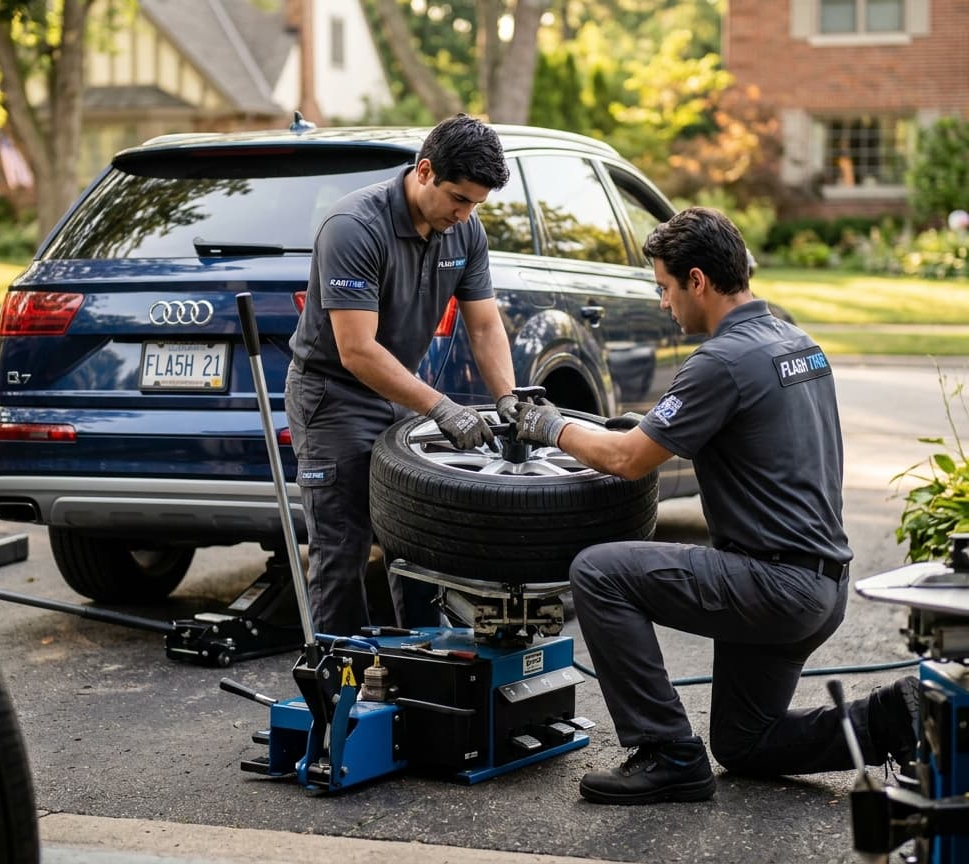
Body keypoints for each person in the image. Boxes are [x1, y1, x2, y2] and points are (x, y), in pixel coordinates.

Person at [513, 206, 918, 805]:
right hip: (822, 584)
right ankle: (889, 720)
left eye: (665, 287)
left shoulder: (718, 361)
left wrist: (547, 425)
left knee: (599, 572)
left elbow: (627, 461)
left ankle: (666, 752)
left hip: (772, 584)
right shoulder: (798, 342)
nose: (662, 303)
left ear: (697, 280)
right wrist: (639, 426)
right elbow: (746, 432)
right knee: (743, 744)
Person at [286, 113, 518, 637]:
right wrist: (441, 407)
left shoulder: (465, 232)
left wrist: (508, 399)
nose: (466, 214)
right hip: (333, 398)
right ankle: (340, 693)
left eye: (477, 204)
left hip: (400, 396)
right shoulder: (354, 227)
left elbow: (484, 327)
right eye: (459, 198)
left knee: (417, 540)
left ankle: (422, 675)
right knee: (342, 550)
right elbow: (358, 351)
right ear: (425, 170)